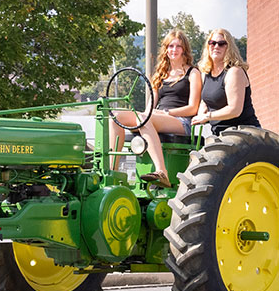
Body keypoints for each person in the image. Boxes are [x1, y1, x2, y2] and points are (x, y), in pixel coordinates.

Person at [110, 30, 201, 188]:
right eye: (171, 46)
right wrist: (148, 113)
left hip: (181, 121)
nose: (174, 49)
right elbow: (150, 105)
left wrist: (167, 112)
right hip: (157, 116)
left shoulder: (192, 73)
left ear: (184, 49)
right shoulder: (161, 74)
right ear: (166, 49)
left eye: (178, 46)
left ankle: (162, 172)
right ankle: (113, 171)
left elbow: (193, 108)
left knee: (145, 119)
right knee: (116, 117)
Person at [191, 28, 260, 134]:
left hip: (243, 134)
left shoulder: (234, 72)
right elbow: (206, 100)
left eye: (221, 44)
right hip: (219, 133)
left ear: (229, 48)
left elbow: (234, 110)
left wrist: (207, 116)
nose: (216, 47)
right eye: (212, 43)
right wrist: (199, 116)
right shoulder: (206, 74)